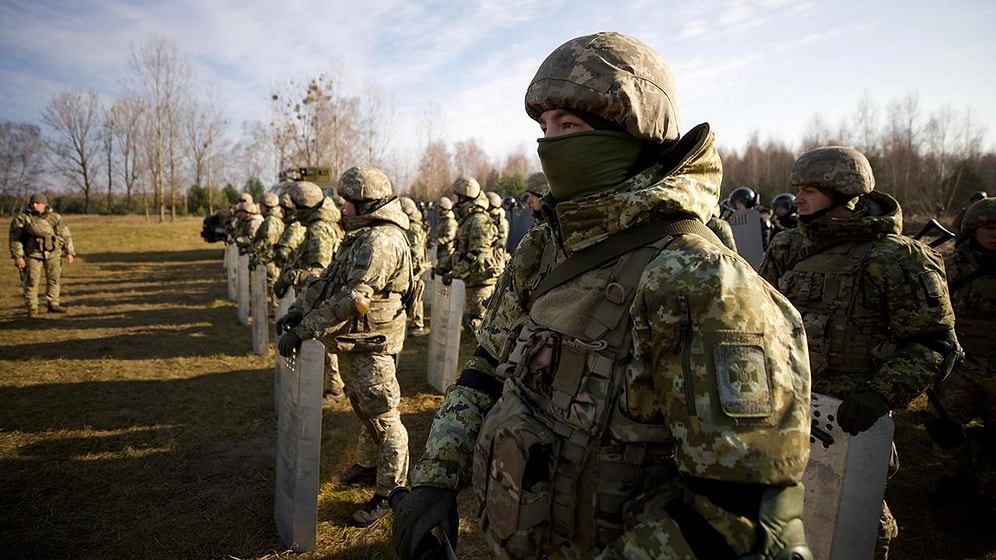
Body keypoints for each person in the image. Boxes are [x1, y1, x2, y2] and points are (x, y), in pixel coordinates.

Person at [394, 31, 813, 560]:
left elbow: (743, 525)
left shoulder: (701, 284)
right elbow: (486, 366)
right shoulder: (546, 247)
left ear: (636, 135)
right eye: (544, 128)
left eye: (570, 126)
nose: (550, 145)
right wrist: (437, 476)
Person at [759, 145, 961, 559]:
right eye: (798, 189)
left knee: (854, 519)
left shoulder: (896, 257)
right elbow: (762, 321)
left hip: (852, 415)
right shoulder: (787, 247)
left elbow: (936, 344)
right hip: (787, 407)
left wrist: (880, 393)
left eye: (811, 190)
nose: (797, 199)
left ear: (844, 194)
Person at [277, 166, 412, 527]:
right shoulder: (362, 235)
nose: (340, 205)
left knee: (384, 416)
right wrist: (296, 311)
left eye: (346, 200)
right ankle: (369, 466)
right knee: (363, 408)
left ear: (364, 203)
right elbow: (329, 281)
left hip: (374, 344)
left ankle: (391, 492)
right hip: (355, 342)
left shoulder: (380, 241)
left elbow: (352, 300)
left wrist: (305, 330)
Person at [923, 197, 996, 509]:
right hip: (959, 367)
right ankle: (957, 474)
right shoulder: (948, 268)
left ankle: (987, 491)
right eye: (989, 227)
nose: (995, 234)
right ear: (973, 230)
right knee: (940, 425)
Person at [273, 181, 346, 403]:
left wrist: (290, 277)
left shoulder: (320, 229)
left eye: (294, 206)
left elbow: (319, 272)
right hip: (321, 293)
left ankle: (334, 389)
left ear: (304, 206)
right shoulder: (322, 223)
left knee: (323, 341)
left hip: (321, 295)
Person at [441, 176, 500, 331]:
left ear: (464, 196)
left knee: (478, 323)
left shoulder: (478, 220)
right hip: (472, 280)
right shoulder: (468, 219)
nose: (452, 199)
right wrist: (443, 267)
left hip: (481, 283)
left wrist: (454, 274)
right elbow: (461, 251)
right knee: (470, 323)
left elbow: (478, 256)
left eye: (455, 195)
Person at [9, 193, 76, 317]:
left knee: (54, 280)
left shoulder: (55, 218)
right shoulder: (22, 218)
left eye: (37, 203)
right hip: (32, 254)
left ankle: (53, 304)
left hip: (53, 253)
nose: (34, 205)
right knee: (32, 281)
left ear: (44, 205)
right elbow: (15, 238)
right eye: (32, 203)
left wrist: (69, 252)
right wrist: (18, 256)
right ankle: (32, 308)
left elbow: (65, 235)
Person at [248, 192, 286, 313]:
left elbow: (268, 240)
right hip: (271, 257)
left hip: (270, 259)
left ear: (266, 206)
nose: (260, 208)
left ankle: (275, 311)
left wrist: (254, 249)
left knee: (272, 284)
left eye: (261, 206)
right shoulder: (274, 219)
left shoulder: (271, 221)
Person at [399, 196, 429, 336]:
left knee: (415, 295)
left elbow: (415, 251)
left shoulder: (413, 227)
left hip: (414, 267)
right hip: (412, 266)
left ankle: (417, 324)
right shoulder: (411, 224)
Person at [432, 196, 458, 274]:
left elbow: (450, 236)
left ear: (444, 208)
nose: (437, 210)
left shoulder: (450, 222)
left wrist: (437, 241)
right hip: (441, 253)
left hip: (447, 254)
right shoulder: (442, 220)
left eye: (439, 208)